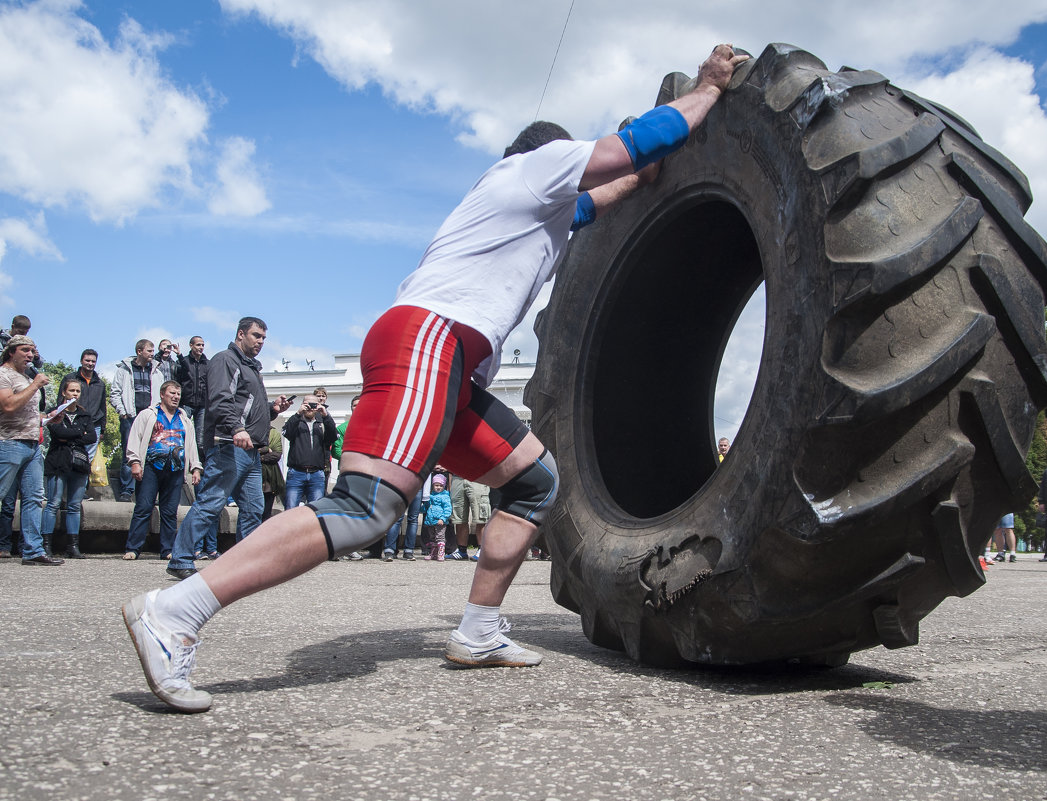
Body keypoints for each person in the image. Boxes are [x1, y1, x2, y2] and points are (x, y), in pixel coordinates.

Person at [121, 44, 749, 713]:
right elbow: (629, 147)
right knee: (367, 507)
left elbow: (600, 197)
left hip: (449, 368)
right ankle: (175, 610)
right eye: (574, 173)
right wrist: (708, 89)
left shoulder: (537, 210)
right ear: (546, 158)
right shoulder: (533, 167)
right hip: (428, 341)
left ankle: (478, 631)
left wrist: (639, 181)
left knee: (534, 480)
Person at [162, 317, 293, 582]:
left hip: (251, 450)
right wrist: (236, 429)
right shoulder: (225, 360)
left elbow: (249, 406)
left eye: (264, 338)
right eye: (256, 336)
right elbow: (220, 399)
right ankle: (180, 559)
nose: (261, 342)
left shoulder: (251, 368)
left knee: (254, 508)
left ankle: (245, 564)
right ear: (240, 333)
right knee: (211, 503)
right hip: (228, 445)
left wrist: (272, 409)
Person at [123, 381, 202, 561]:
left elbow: (191, 444)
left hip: (175, 469)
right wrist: (134, 461)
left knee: (169, 511)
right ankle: (133, 548)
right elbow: (135, 437)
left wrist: (195, 467)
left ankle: (167, 549)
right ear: (162, 394)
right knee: (143, 507)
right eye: (172, 393)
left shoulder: (184, 419)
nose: (175, 397)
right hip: (151, 467)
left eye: (178, 394)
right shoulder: (148, 415)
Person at [0, 335, 59, 565]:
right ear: (11, 352)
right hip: (9, 443)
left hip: (33, 444)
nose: (30, 355)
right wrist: (35, 385)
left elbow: (28, 413)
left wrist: (49, 419)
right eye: (25, 350)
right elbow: (8, 405)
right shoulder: (3, 374)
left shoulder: (26, 376)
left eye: (33, 351)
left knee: (34, 498)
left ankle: (33, 550)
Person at [41, 379, 97, 559]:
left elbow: (92, 438)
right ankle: (46, 546)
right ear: (64, 393)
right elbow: (58, 433)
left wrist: (71, 436)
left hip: (79, 464)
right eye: (71, 390)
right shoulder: (55, 414)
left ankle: (73, 547)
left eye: (77, 391)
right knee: (53, 503)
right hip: (58, 462)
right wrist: (80, 433)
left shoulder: (85, 416)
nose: (74, 394)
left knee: (74, 506)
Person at [111, 339, 165, 502]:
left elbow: (161, 396)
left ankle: (149, 491)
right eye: (149, 350)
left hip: (150, 418)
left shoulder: (157, 372)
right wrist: (122, 412)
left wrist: (157, 416)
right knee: (129, 452)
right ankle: (127, 490)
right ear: (139, 351)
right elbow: (115, 392)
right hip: (130, 416)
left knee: (153, 452)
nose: (152, 353)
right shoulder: (124, 371)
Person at [283, 394, 338, 510]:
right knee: (290, 509)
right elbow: (287, 433)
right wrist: (298, 413)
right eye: (307, 404)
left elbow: (333, 436)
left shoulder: (322, 422)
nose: (310, 408)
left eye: (314, 404)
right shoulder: (296, 421)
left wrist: (326, 416)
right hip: (296, 473)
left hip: (316, 474)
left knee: (316, 511)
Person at [59, 349, 107, 461]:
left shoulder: (100, 383)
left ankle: (84, 479)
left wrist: (102, 429)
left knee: (87, 459)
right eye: (87, 360)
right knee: (70, 454)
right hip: (74, 422)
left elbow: (102, 407)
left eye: (93, 361)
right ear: (81, 361)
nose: (90, 364)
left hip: (94, 425)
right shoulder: (70, 379)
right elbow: (61, 401)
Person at [175, 336, 209, 460]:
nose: (201, 347)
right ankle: (182, 465)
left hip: (202, 405)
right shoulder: (183, 361)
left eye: (202, 345)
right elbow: (177, 380)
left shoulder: (207, 363)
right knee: (182, 436)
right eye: (198, 345)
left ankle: (199, 468)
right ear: (191, 345)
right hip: (186, 403)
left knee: (200, 440)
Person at [448, 477, 490, 561]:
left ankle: (482, 550)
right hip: (458, 478)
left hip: (477, 477)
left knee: (480, 517)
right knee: (459, 517)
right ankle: (461, 550)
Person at [422, 474, 453, 561]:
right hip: (431, 521)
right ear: (433, 486)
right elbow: (426, 507)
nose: (438, 487)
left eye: (441, 485)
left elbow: (448, 509)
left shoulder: (445, 497)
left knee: (440, 537)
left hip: (440, 521)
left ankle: (441, 553)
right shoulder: (430, 496)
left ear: (444, 486)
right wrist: (421, 509)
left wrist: (443, 518)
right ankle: (434, 553)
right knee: (432, 537)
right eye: (436, 485)